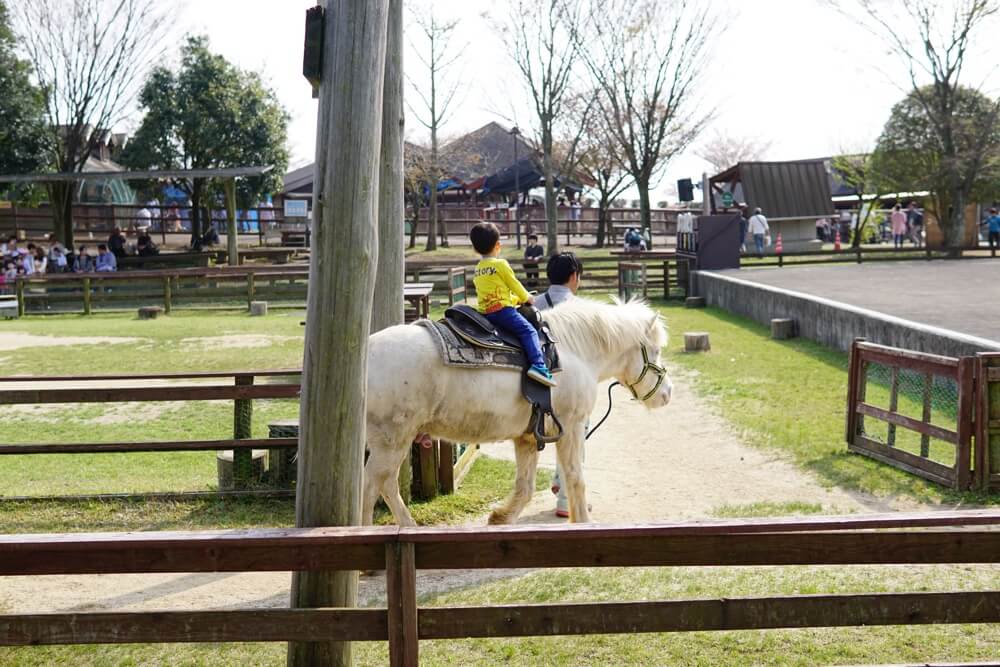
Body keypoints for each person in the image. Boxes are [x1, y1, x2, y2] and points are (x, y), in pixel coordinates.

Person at [470, 221, 556, 387]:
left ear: (475, 248)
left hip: (486, 312)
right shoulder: (501, 264)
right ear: (498, 245)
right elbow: (514, 284)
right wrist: (527, 298)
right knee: (528, 330)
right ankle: (538, 366)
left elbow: (497, 293)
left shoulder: (478, 268)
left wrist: (517, 299)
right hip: (504, 312)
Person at [535, 252, 583, 517]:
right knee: (576, 439)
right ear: (574, 277)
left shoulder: (535, 302)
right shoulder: (579, 308)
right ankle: (566, 500)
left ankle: (557, 478)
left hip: (537, 385)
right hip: (569, 386)